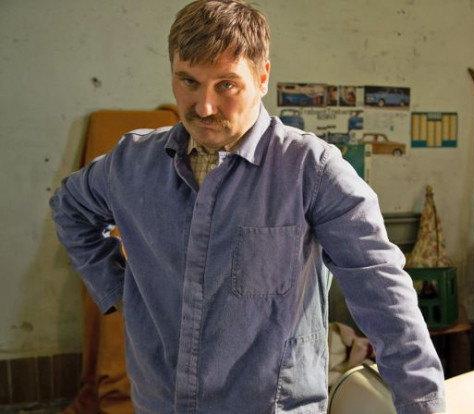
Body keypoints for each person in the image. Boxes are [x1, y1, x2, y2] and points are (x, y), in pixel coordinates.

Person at [50, 1, 446, 413]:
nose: (204, 106)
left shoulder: (311, 170)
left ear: (262, 77)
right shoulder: (131, 164)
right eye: (188, 81)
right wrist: (121, 293)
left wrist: (423, 405)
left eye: (226, 85)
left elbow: (384, 294)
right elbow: (70, 210)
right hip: (160, 403)